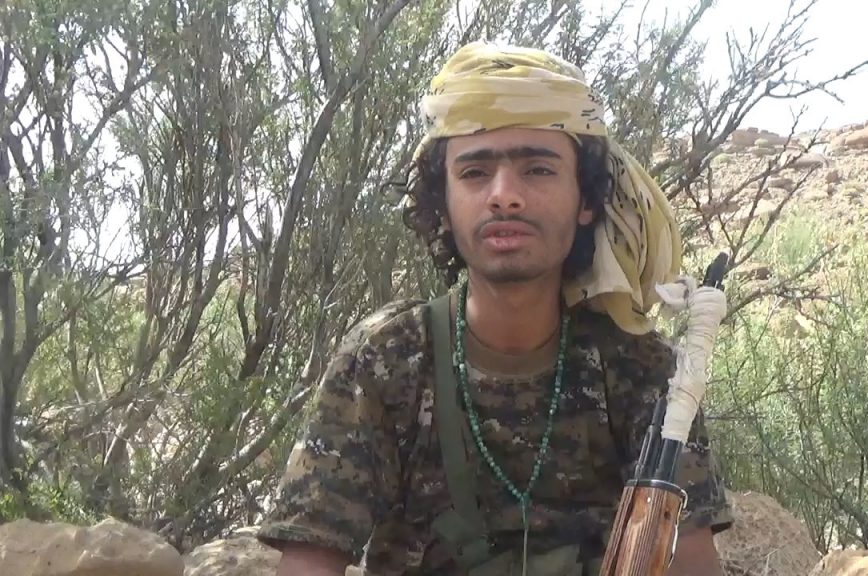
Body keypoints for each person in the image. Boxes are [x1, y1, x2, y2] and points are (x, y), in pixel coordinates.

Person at [257, 41, 732, 576]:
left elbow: (690, 563)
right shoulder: (386, 359)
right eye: (475, 173)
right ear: (443, 202)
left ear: (586, 200)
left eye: (538, 170)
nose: (504, 196)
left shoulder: (639, 368)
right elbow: (310, 561)